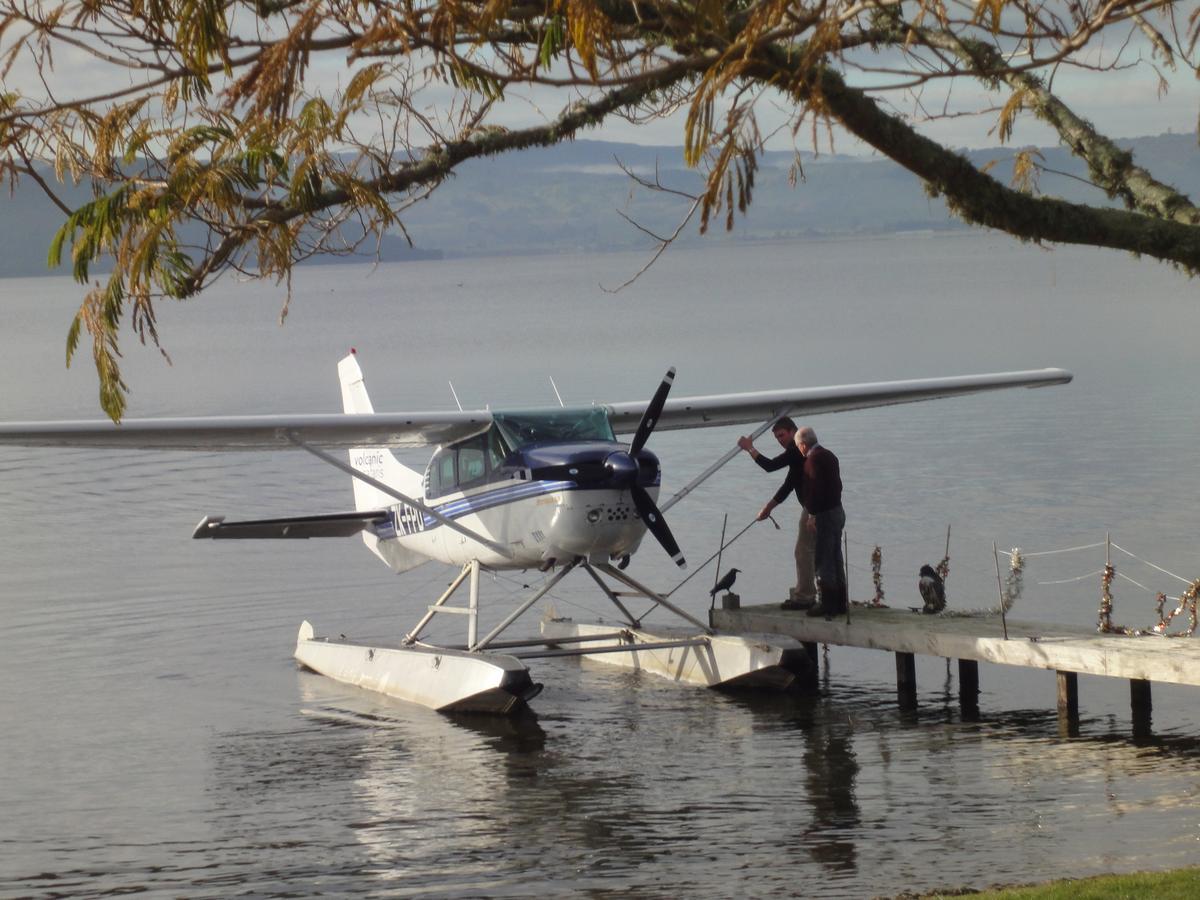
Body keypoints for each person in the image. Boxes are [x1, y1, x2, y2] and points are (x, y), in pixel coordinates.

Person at [737, 417, 817, 610]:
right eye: (776, 438)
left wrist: (750, 448)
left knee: (803, 551)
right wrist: (769, 508)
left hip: (813, 507)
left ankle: (805, 597)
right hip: (817, 506)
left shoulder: (796, 450)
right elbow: (789, 484)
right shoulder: (799, 455)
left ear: (792, 432)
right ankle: (824, 595)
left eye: (782, 435)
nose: (780, 440)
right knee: (820, 552)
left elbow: (770, 466)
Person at [795, 426, 847, 617]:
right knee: (836, 557)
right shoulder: (830, 455)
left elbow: (815, 489)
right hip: (838, 509)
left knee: (823, 559)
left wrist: (812, 515)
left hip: (824, 514)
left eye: (798, 446)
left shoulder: (812, 460)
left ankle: (826, 603)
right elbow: (837, 485)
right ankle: (841, 602)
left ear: (802, 445)